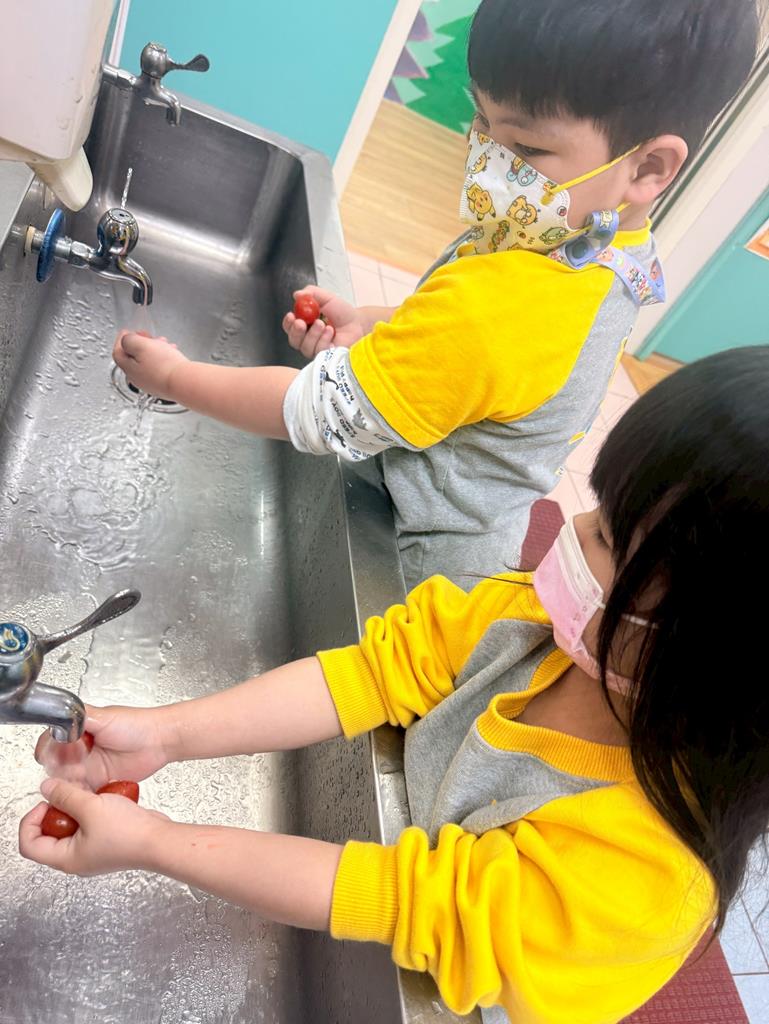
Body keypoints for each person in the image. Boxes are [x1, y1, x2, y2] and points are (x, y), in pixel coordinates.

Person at [23, 346, 769, 1023]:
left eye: (610, 538)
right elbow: (376, 672)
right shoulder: (532, 623)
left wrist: (154, 842)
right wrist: (165, 735)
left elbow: (406, 901)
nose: (572, 526)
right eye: (599, 504)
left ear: (716, 651)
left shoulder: (642, 873)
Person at [112, 0, 760, 590]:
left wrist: (175, 377)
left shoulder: (501, 307)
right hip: (484, 522)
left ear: (648, 167)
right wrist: (375, 321)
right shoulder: (607, 246)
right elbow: (496, 360)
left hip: (413, 563)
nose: (484, 160)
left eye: (526, 147)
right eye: (480, 119)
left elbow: (316, 412)